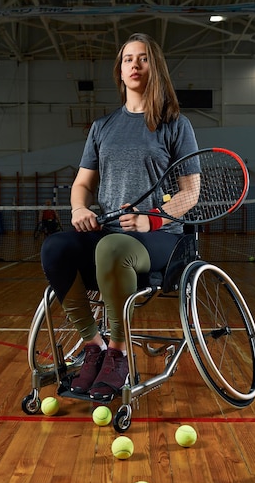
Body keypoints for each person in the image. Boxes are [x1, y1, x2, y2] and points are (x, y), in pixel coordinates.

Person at [41, 32, 198, 401]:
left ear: (154, 67)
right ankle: (93, 345)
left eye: (143, 58)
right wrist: (80, 208)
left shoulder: (176, 124)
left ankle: (119, 352)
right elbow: (81, 184)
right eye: (128, 59)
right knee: (55, 248)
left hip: (159, 240)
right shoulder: (102, 127)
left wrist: (152, 219)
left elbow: (191, 192)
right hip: (109, 234)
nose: (135, 65)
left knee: (112, 248)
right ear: (120, 69)